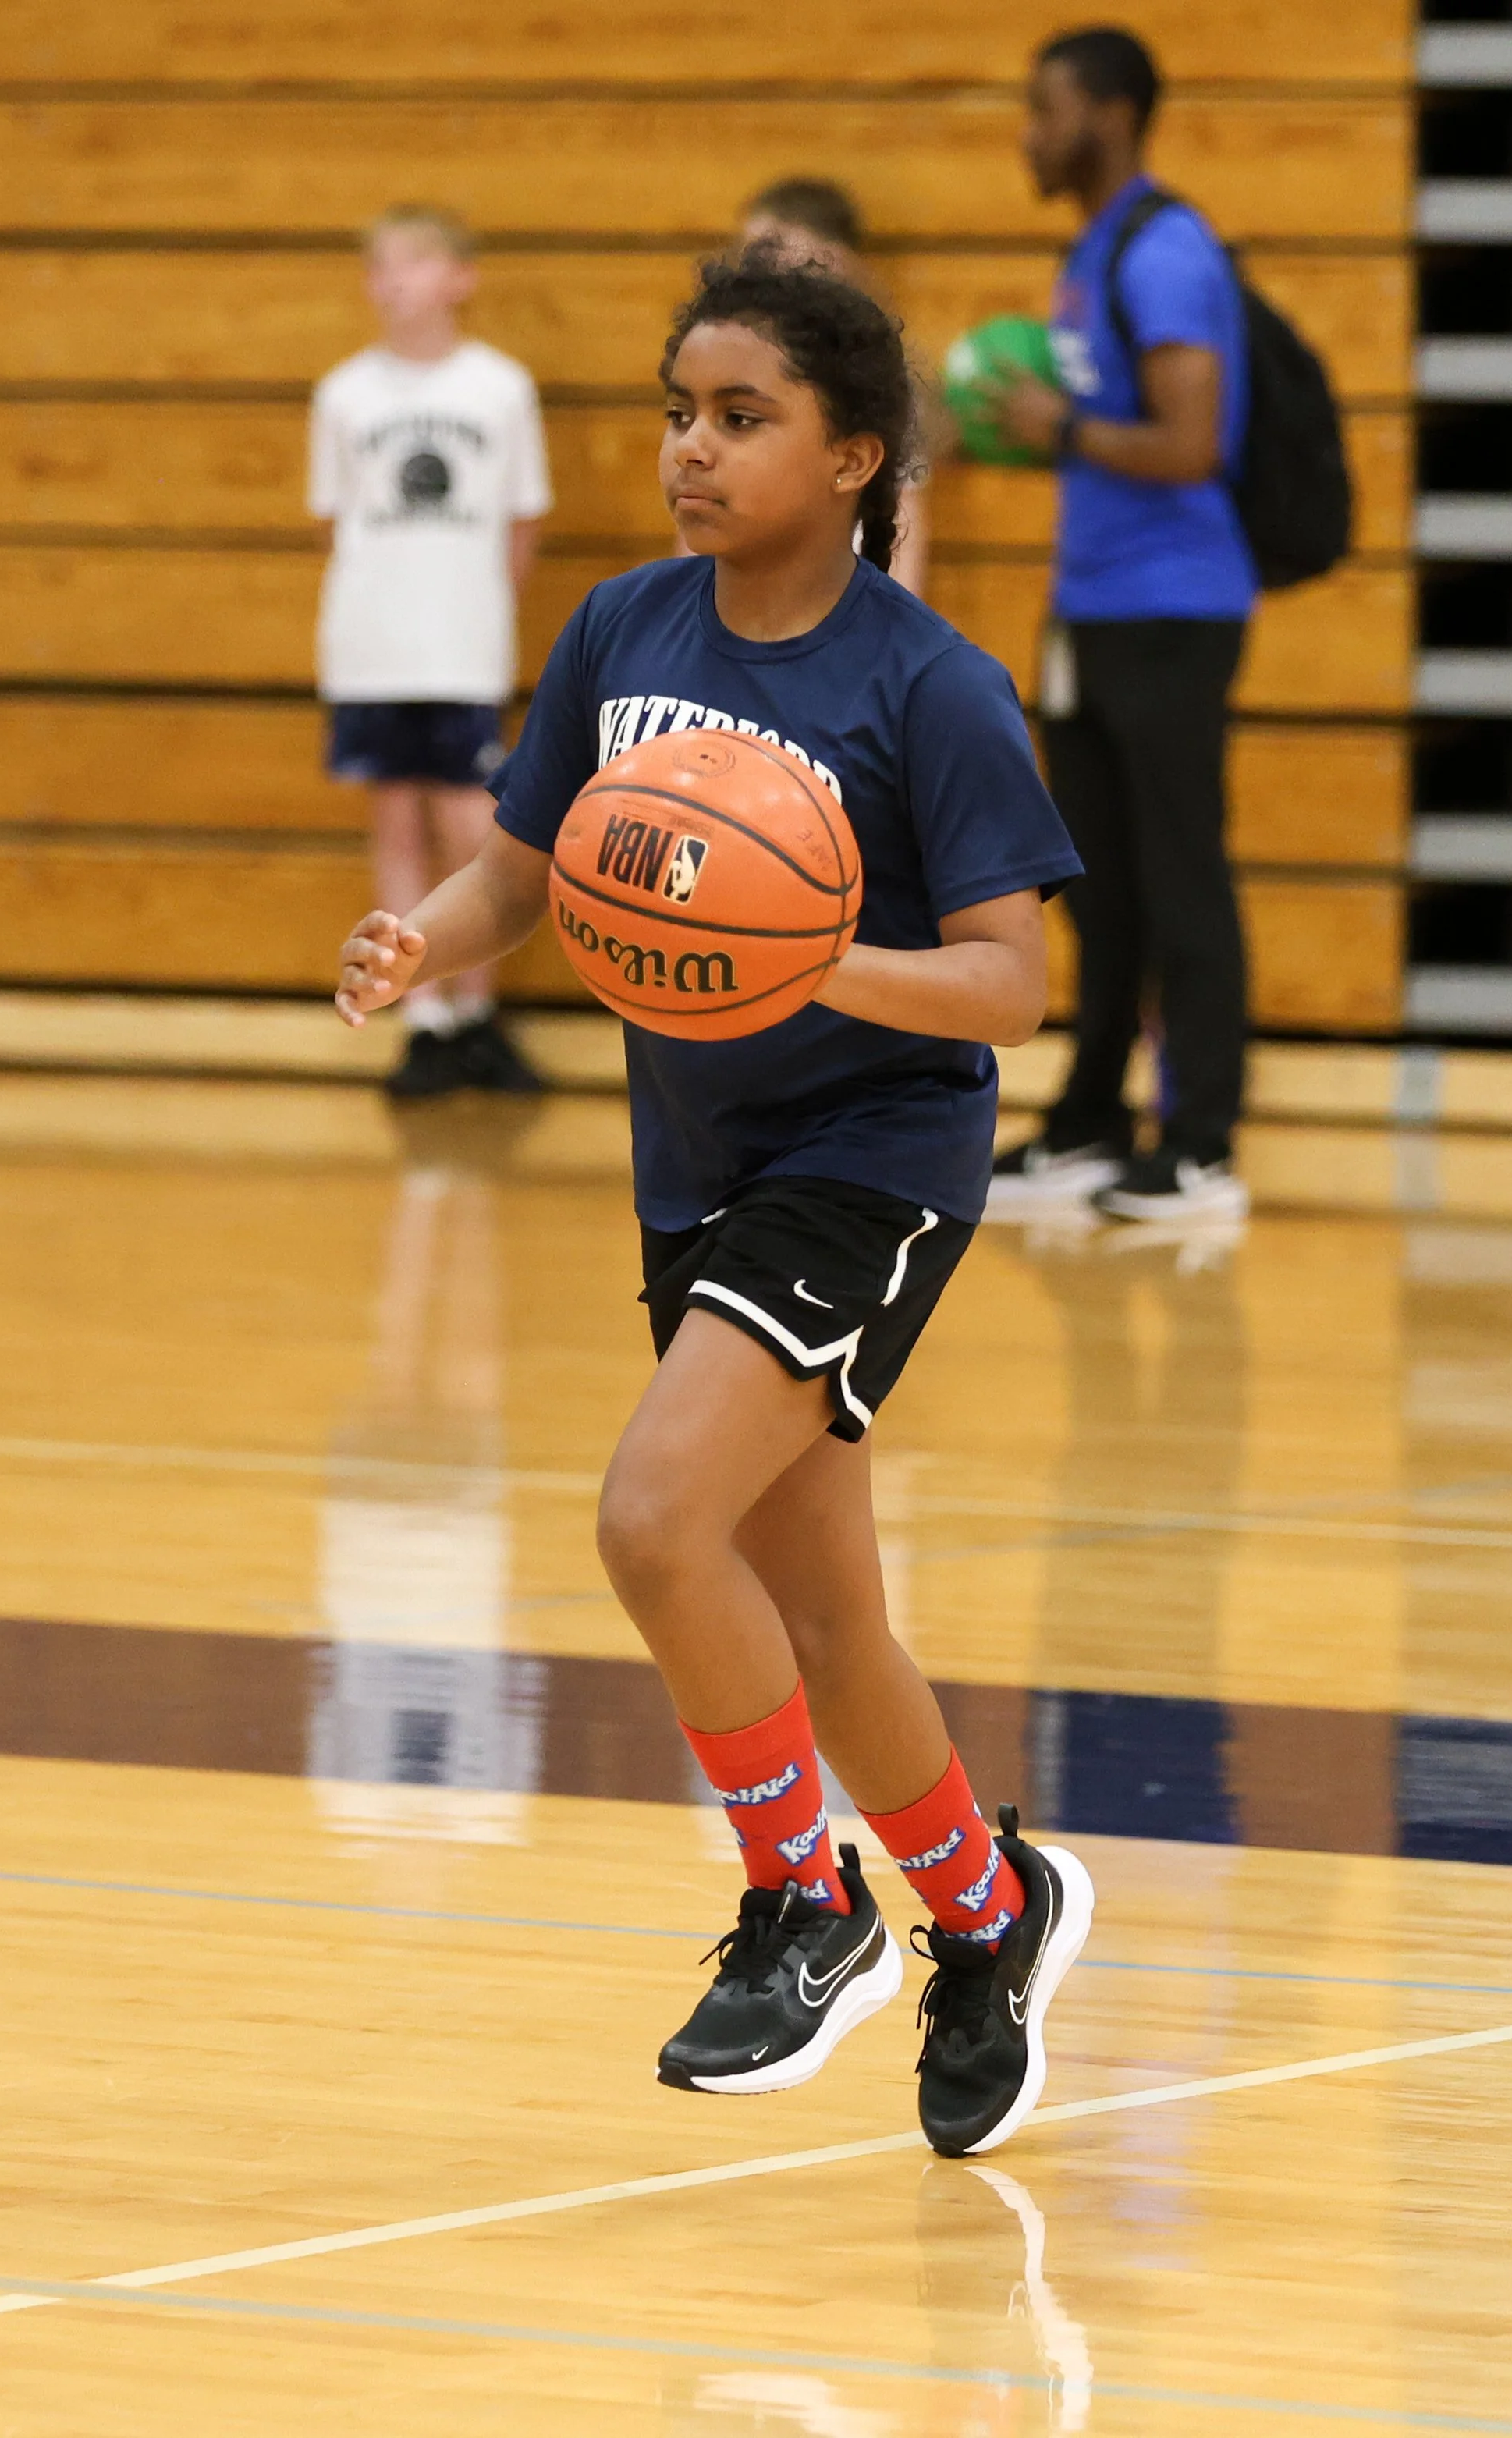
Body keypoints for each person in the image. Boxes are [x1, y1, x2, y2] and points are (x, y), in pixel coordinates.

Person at [335, 249, 1095, 2157]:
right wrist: (417, 942)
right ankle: (992, 1914)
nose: (691, 447)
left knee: (657, 1516)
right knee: (823, 1614)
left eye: (739, 417)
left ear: (854, 456)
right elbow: (529, 870)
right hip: (700, 1163)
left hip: (877, 1153)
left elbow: (1013, 983)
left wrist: (822, 960)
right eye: (677, 410)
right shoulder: (620, 628)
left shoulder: (931, 687)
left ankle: (803, 1898)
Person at [987, 27, 1255, 1223]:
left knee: (1181, 875)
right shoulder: (1089, 253)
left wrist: (1060, 427)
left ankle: (1198, 1144)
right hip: (1090, 611)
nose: (1029, 133)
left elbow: (1194, 446)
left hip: (1173, 611)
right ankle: (1093, 1119)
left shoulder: (1167, 251)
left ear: (1105, 111)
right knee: (1093, 883)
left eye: (1044, 108)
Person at [310, 203, 552, 1099]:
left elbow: (524, 519)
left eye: (412, 263)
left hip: (461, 644)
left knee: (472, 832)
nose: (392, 282)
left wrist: (485, 614)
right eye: (379, 266)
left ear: (460, 277)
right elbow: (341, 524)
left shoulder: (498, 387)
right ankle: (421, 1018)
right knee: (398, 827)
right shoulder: (344, 393)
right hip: (372, 646)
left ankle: (477, 1012)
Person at [732, 178, 933, 598]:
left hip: (844, 611)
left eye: (770, 256)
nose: (755, 276)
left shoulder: (882, 374)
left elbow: (905, 517)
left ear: (832, 260)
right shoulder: (732, 367)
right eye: (747, 258)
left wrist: (895, 630)